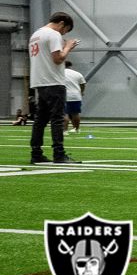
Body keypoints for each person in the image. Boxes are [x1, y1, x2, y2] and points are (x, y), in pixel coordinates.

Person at [29, 12, 81, 164]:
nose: (63, 33)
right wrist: (68, 47)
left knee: (40, 121)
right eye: (65, 30)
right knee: (57, 119)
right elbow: (58, 59)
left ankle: (36, 153)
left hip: (39, 81)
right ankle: (59, 154)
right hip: (53, 81)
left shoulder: (35, 35)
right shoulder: (53, 34)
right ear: (62, 24)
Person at [63, 60, 86, 134]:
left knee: (64, 113)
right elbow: (83, 84)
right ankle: (77, 129)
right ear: (71, 66)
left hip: (64, 95)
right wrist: (81, 92)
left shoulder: (60, 73)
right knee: (75, 113)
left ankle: (65, 130)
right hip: (76, 95)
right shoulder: (77, 74)